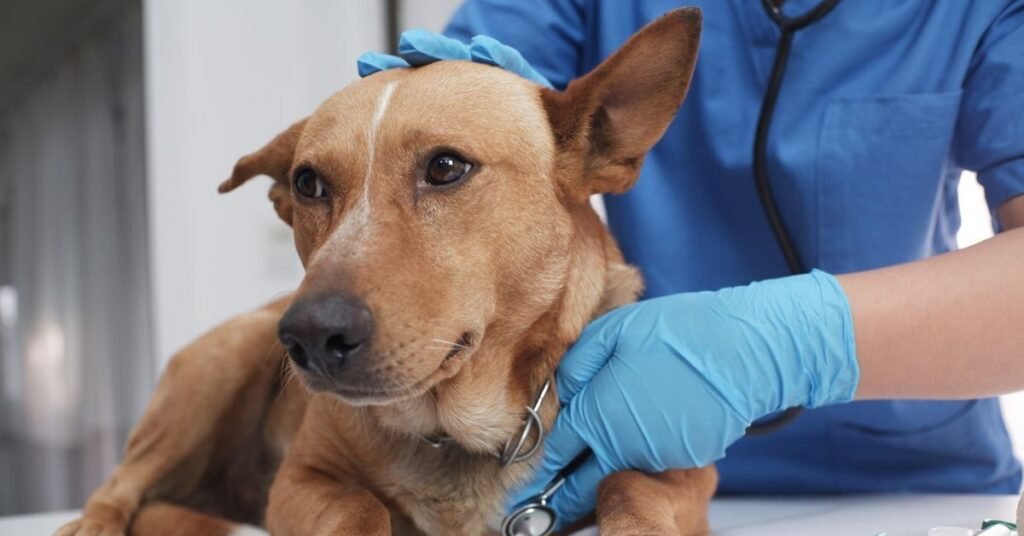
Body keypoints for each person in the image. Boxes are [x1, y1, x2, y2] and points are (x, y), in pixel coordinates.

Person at [358, 0, 1024, 526]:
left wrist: (784, 345)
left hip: (923, 487)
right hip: (631, 465)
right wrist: (453, 127)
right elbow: (465, 132)